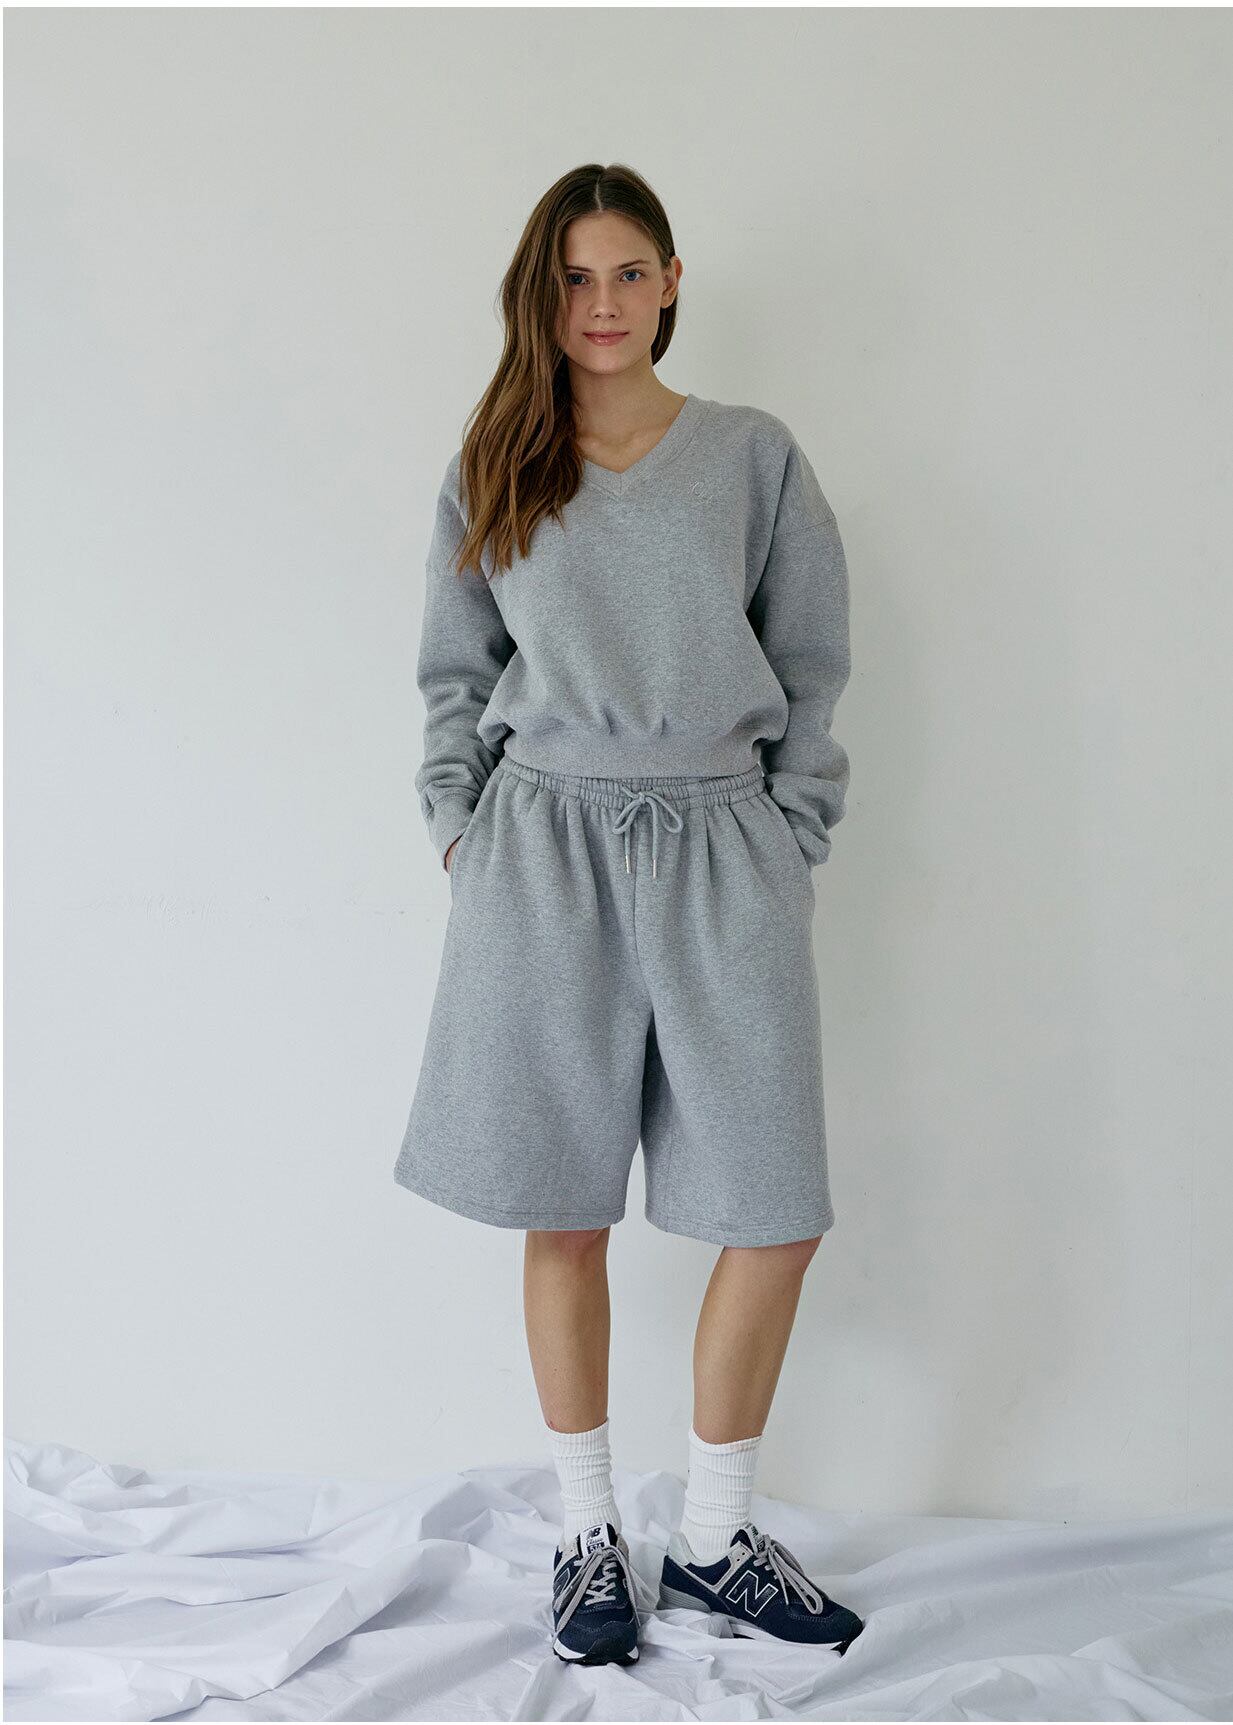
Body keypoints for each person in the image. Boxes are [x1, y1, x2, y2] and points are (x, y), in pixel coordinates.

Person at [393, 162, 863, 1667]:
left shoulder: (751, 455)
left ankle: (716, 1537)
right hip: (544, 851)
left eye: (627, 272)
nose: (601, 303)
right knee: (564, 1200)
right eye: (573, 278)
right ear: (541, 298)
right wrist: (462, 826)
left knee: (773, 1206)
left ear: (670, 285)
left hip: (722, 843)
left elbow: (811, 663)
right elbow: (454, 672)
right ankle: (589, 1528)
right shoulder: (497, 462)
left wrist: (790, 830)